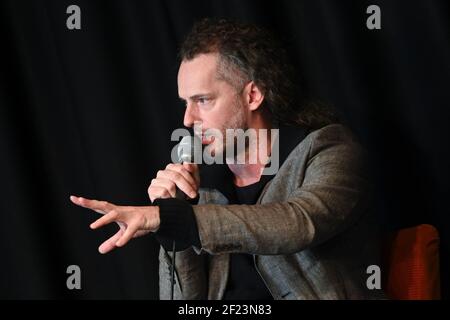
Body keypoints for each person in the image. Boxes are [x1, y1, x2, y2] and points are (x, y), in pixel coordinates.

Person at [70, 18, 384, 300]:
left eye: (202, 100)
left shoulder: (328, 149)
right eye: (185, 103)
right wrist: (171, 222)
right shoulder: (203, 185)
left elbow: (299, 223)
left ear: (253, 95)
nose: (188, 119)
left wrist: (175, 220)